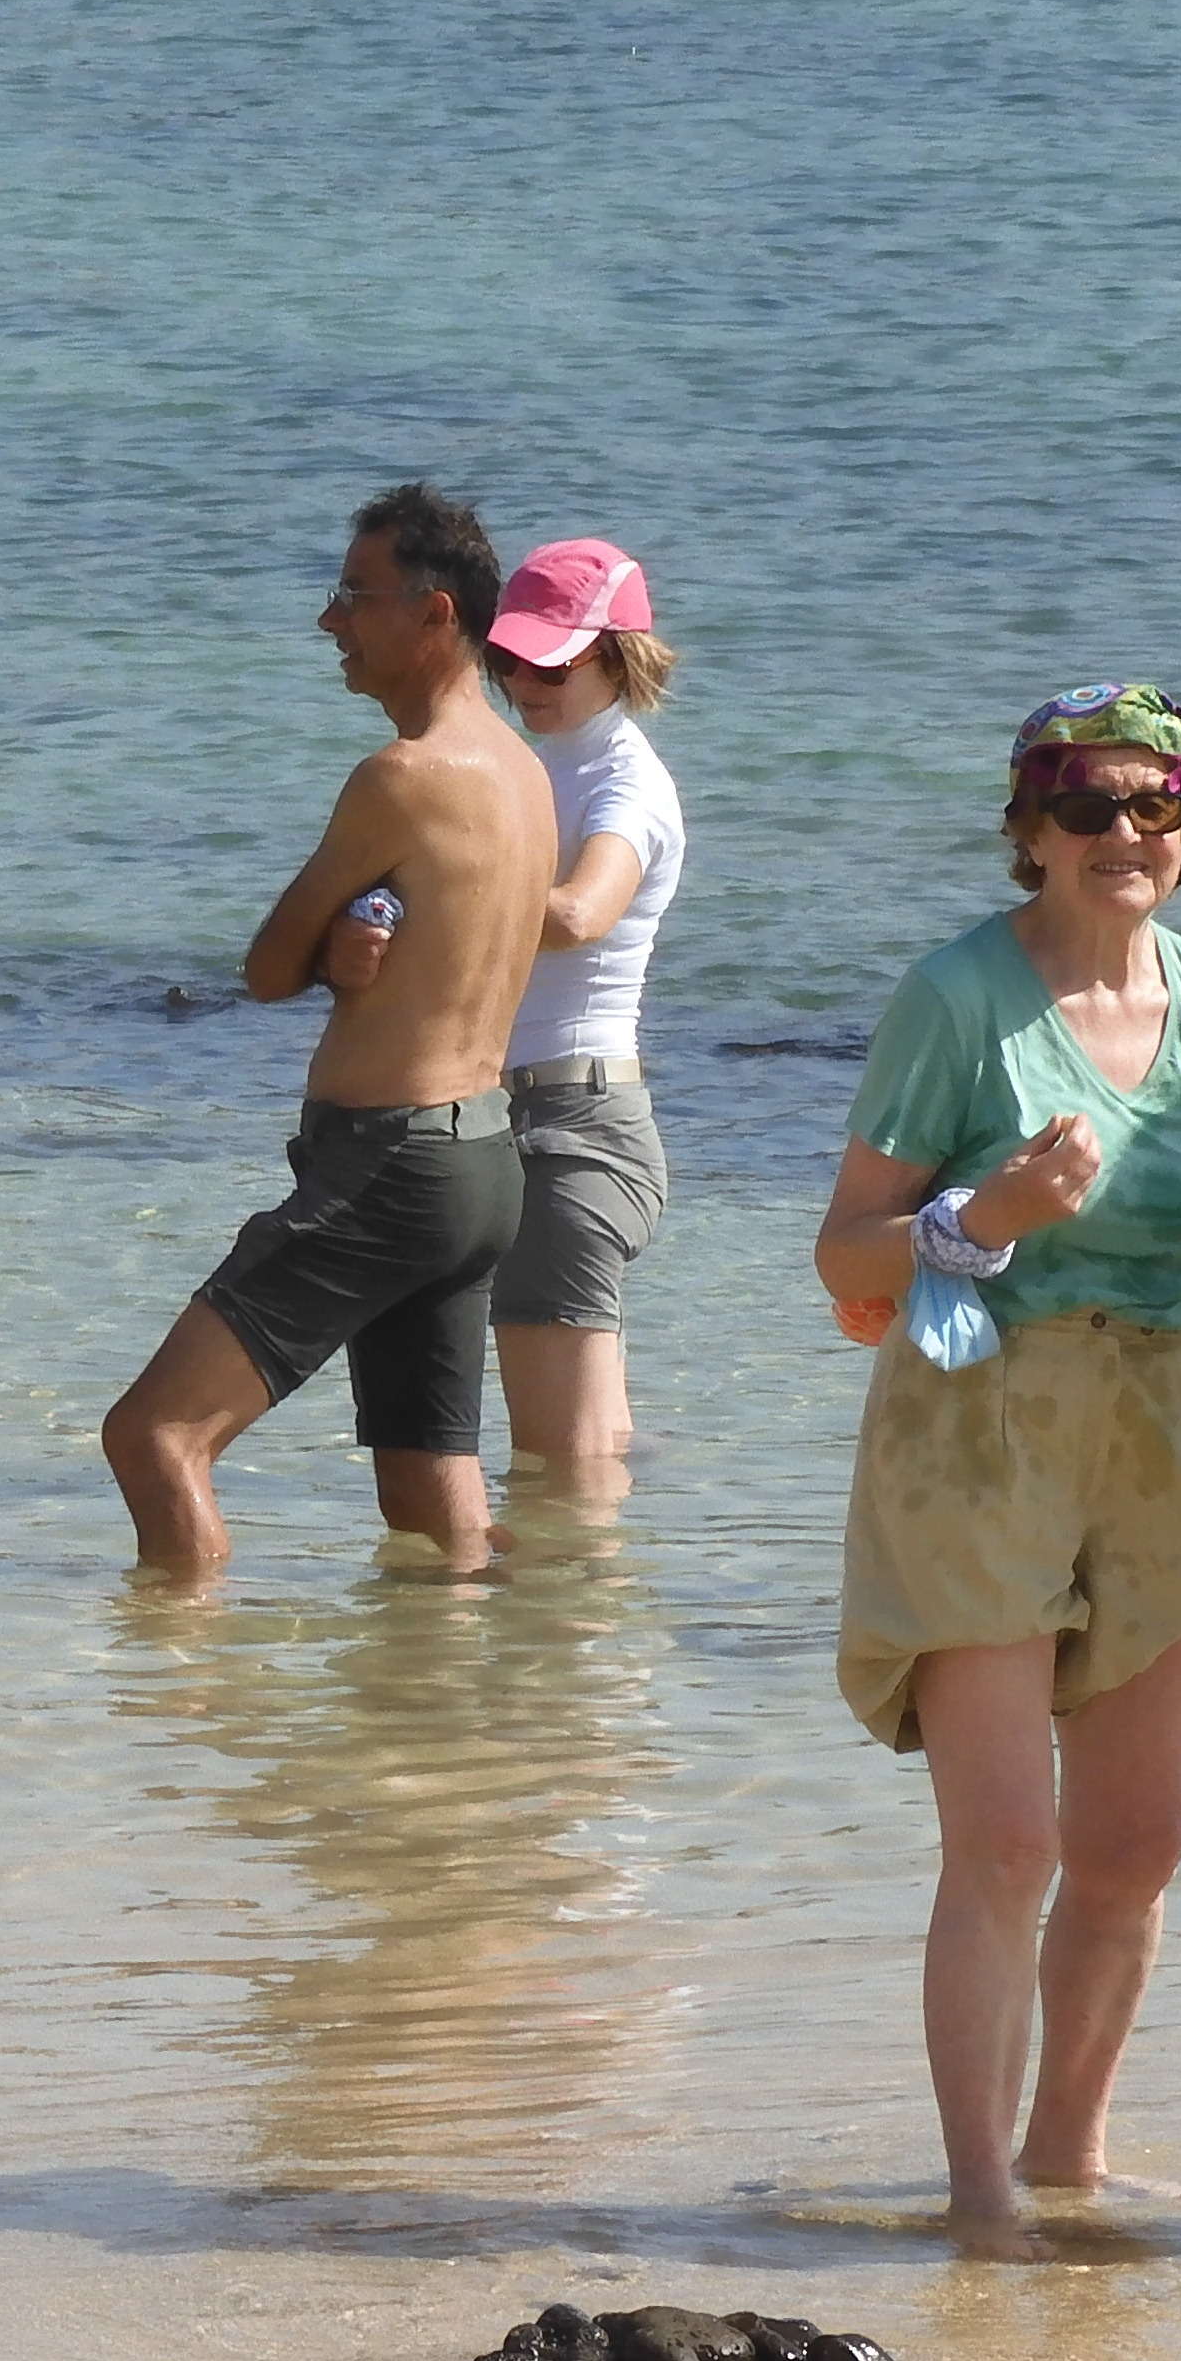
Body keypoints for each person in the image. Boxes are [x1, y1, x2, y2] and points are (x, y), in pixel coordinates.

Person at [812, 683, 1181, 2250]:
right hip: (977, 1429)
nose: (1124, 836)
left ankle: (1069, 2152)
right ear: (1029, 829)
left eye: (1158, 806)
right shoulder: (955, 1001)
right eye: (1086, 806)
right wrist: (980, 1220)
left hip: (1156, 1429)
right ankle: (978, 2190)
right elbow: (843, 1253)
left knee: (1138, 1846)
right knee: (1010, 1845)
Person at [101, 484, 555, 1579]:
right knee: (425, 1491)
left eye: (357, 594)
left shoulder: (400, 778)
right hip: (484, 1161)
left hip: (393, 1166)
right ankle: (460, 1720)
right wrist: (353, 944)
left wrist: (326, 947)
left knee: (156, 1436)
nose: (330, 620)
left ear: (438, 614)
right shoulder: (526, 775)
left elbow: (264, 968)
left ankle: (190, 1708)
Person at [473, 535, 687, 1490]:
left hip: (575, 1123)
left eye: (550, 659)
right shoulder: (544, 765)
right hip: (531, 1114)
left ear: (617, 655)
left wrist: (441, 896)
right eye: (506, 658)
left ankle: (563, 1629)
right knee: (588, 1449)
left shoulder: (623, 783)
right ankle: (597, 1626)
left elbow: (577, 914)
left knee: (558, 1466)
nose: (524, 679)